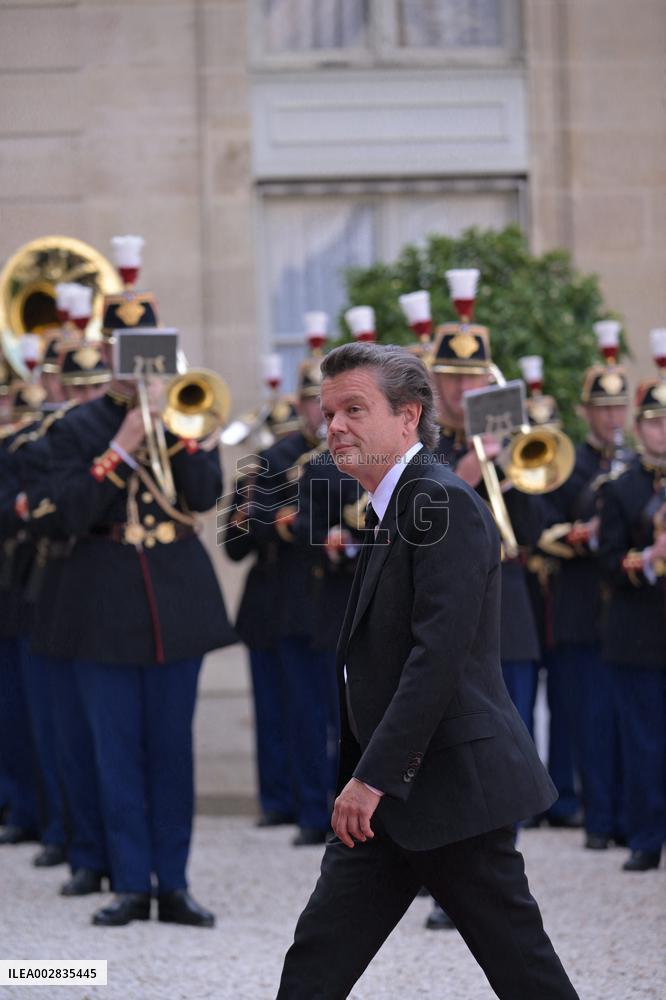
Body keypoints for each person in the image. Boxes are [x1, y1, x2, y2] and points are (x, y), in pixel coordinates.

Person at [277, 342, 579, 1000]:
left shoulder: (444, 503)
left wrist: (371, 778)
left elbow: (436, 659)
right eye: (329, 413)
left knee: (525, 974)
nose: (335, 427)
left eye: (355, 410)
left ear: (408, 416)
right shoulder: (397, 503)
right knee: (315, 964)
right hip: (388, 799)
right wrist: (371, 778)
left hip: (450, 790)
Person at [44, 331, 236, 926]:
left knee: (172, 751)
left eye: (148, 352)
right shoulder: (76, 427)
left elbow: (204, 495)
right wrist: (121, 448)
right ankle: (129, 883)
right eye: (126, 352)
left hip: (175, 603)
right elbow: (67, 512)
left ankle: (173, 883)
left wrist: (179, 434)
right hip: (102, 603)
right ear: (108, 355)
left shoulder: (183, 414)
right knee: (117, 753)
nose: (138, 365)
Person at [540, 361, 631, 850]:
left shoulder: (636, 464)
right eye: (603, 408)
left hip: (627, 612)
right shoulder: (567, 463)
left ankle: (629, 818)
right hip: (580, 609)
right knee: (591, 722)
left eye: (618, 407)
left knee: (628, 722)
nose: (612, 417)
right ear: (585, 412)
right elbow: (545, 530)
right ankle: (598, 819)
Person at [597, 375, 666, 872]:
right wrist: (649, 556)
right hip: (638, 636)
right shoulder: (621, 489)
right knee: (643, 744)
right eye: (655, 422)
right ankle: (646, 838)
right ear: (639, 428)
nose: (662, 431)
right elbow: (607, 562)